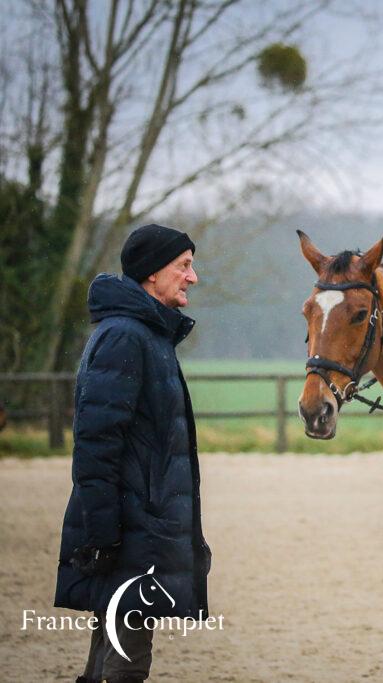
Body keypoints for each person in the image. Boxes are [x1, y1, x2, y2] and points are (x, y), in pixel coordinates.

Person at [54, 224, 211, 682]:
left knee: (110, 650)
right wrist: (102, 538)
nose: (193, 277)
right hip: (126, 533)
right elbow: (96, 448)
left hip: (138, 528)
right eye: (184, 266)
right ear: (151, 275)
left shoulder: (147, 335)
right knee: (127, 663)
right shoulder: (126, 337)